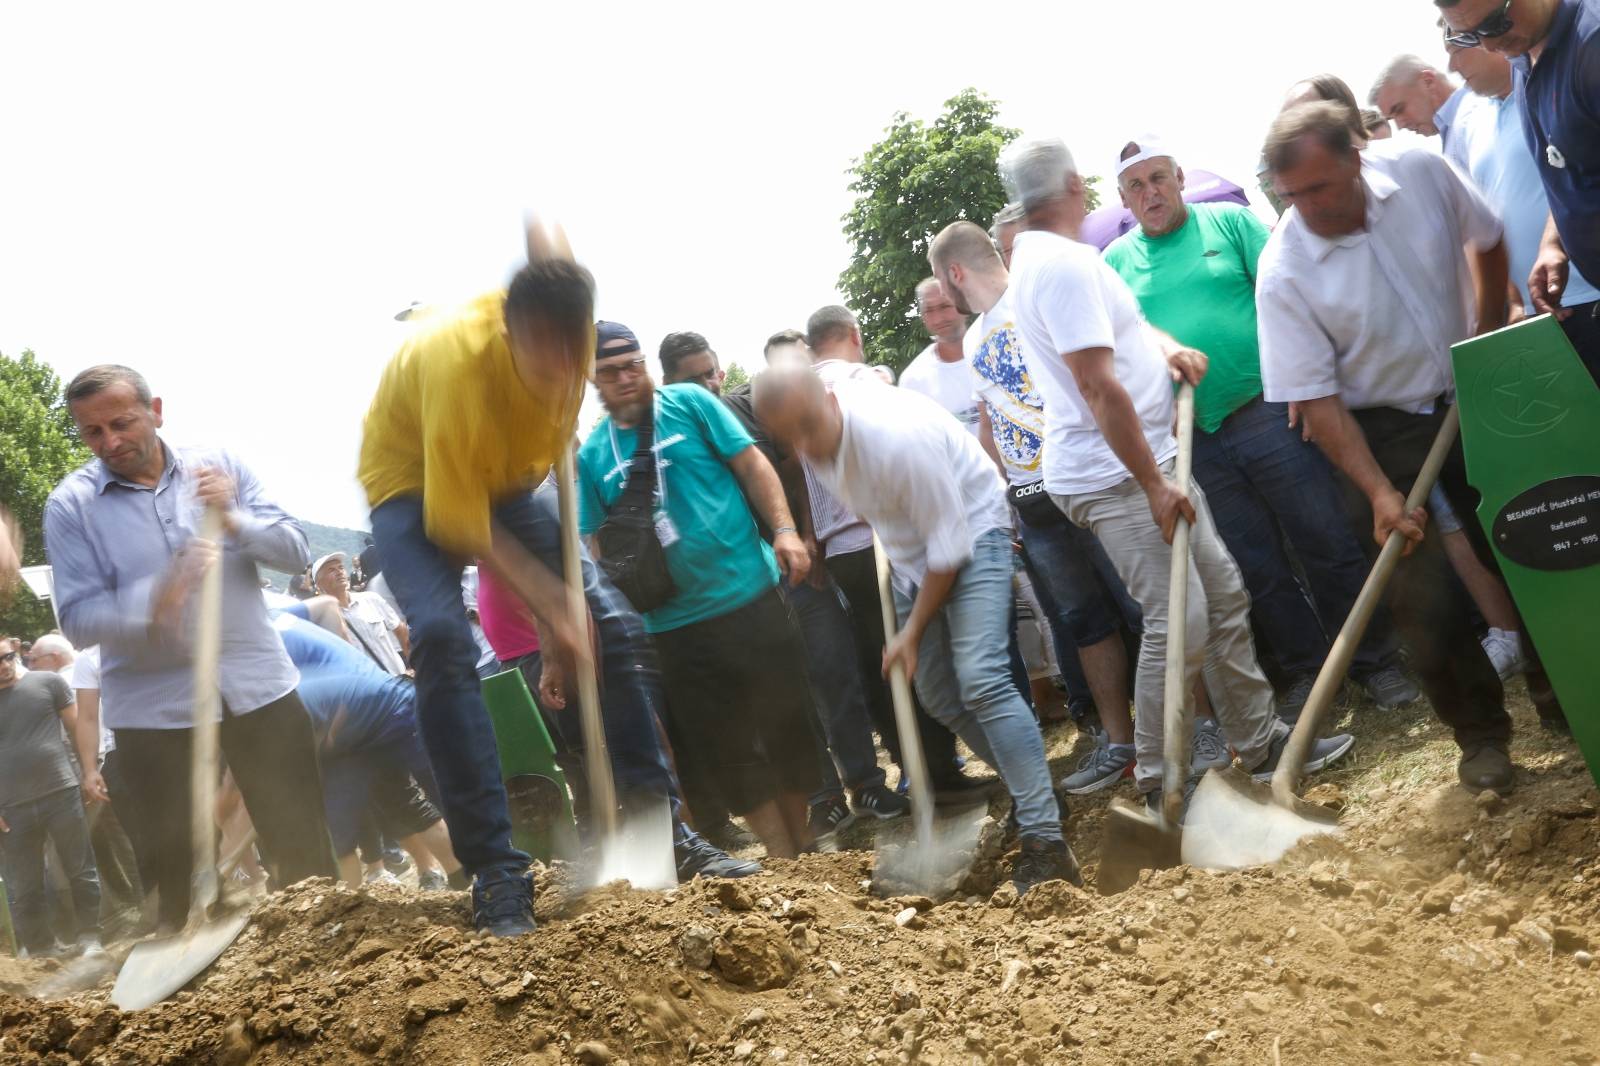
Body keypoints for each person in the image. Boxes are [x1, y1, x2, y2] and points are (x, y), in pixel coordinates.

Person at [997, 135, 1354, 811]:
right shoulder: (1063, 266)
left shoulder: (1059, 260)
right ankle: (1158, 780)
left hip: (1148, 461)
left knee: (1220, 594)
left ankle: (1259, 739)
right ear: (1077, 187)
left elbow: (1127, 334)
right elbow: (1098, 387)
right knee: (1178, 618)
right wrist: (1155, 484)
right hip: (1118, 477)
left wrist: (1169, 350)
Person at [1256, 101, 1534, 794]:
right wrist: (1380, 491)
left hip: (1474, 379)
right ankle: (1480, 740)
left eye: (1319, 187)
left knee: (1524, 540)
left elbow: (1489, 237)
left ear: (1355, 157)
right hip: (1373, 427)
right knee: (1419, 591)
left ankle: (1566, 697)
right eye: (1291, 195)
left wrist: (1490, 333)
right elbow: (1315, 402)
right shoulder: (1284, 269)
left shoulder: (1418, 170)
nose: (1306, 207)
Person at [1102, 135, 1418, 719]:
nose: (1151, 193)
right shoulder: (1114, 264)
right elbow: (1121, 352)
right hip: (1197, 440)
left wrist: (1301, 379)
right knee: (1257, 565)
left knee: (1323, 537)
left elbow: (1287, 296)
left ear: (1178, 178)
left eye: (1159, 178)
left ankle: (1378, 663)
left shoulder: (1228, 223)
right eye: (1137, 185)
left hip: (1268, 410)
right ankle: (1308, 674)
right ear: (1124, 199)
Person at [755, 363, 1082, 895]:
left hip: (974, 532)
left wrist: (910, 633)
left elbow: (950, 551)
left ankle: (1047, 841)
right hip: (913, 558)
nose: (805, 445)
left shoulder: (894, 440)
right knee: (935, 692)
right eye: (790, 436)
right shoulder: (818, 433)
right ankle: (1037, 791)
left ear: (830, 401)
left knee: (982, 677)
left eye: (809, 427)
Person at [358, 243, 606, 936]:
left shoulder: (567, 340)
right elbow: (457, 519)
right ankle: (496, 869)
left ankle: (660, 822)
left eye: (572, 358)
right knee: (440, 636)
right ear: (507, 336)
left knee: (606, 613)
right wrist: (550, 605)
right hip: (411, 486)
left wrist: (567, 621)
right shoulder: (454, 362)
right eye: (542, 359)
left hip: (507, 478)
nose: (562, 377)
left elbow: (544, 492)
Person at [46, 364, 339, 933]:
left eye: (122, 423)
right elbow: (78, 621)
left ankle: (322, 957)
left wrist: (232, 517)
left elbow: (295, 550)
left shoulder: (219, 466)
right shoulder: (70, 507)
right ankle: (187, 993)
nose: (110, 442)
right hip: (153, 711)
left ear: (156, 411)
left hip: (256, 686)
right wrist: (158, 597)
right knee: (170, 874)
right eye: (93, 432)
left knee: (300, 843)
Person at [577, 321, 824, 858]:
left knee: (789, 725)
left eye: (633, 365)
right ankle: (784, 859)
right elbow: (594, 542)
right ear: (590, 380)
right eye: (611, 371)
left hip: (749, 594)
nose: (626, 378)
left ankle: (806, 842)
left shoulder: (689, 402)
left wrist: (784, 530)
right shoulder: (593, 454)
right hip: (671, 625)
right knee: (727, 747)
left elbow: (753, 463)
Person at [928, 220, 1155, 796]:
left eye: (939, 282)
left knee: (1146, 606)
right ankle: (1121, 744)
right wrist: (996, 499)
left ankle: (1197, 729)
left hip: (1090, 479)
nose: (940, 299)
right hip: (1031, 503)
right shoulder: (977, 337)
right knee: (1083, 622)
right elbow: (991, 425)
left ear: (954, 272)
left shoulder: (1034, 298)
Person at [671, 331, 908, 845]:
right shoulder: (668, 438)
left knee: (834, 671)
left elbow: (796, 465)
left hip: (796, 569)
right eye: (694, 378)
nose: (709, 383)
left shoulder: (744, 410)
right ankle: (822, 800)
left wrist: (806, 533)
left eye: (712, 371)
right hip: (738, 591)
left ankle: (866, 783)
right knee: (785, 699)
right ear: (671, 383)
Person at [471, 487, 759, 881]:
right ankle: (614, 856)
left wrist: (554, 639)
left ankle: (670, 841)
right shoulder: (467, 493)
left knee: (618, 723)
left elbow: (548, 570)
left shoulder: (529, 497)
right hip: (524, 651)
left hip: (560, 636)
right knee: (581, 756)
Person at [798, 311, 992, 802]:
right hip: (880, 542)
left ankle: (919, 769)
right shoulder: (858, 379)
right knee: (919, 656)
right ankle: (938, 772)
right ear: (854, 337)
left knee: (887, 662)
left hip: (845, 548)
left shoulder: (797, 398)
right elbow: (881, 383)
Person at [1436, 0, 1600, 379]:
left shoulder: (1592, 43)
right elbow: (1569, 170)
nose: (1488, 45)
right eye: (1467, 36)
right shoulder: (1526, 62)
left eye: (1493, 23)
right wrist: (1554, 243)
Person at [0, 640, 104, 957]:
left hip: (61, 791)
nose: (3, 665)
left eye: (7, 657)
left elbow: (78, 729)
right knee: (25, 885)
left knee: (81, 869)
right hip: (11, 807)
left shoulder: (48, 682)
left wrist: (89, 772)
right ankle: (43, 951)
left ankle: (91, 937)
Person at [69, 643, 149, 932]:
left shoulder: (151, 635)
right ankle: (155, 905)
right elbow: (87, 717)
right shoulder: (88, 659)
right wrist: (91, 769)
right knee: (139, 835)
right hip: (120, 750)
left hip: (169, 735)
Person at [900, 279, 981, 437]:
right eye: (929, 310)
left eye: (945, 306)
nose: (938, 318)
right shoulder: (913, 381)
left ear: (964, 304)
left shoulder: (999, 351)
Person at [312, 552, 410, 675]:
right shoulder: (322, 623)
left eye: (341, 567)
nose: (339, 572)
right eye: (331, 570)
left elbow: (400, 629)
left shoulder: (371, 599)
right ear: (318, 584)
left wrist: (414, 666)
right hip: (368, 690)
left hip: (399, 678)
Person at [1369, 54, 1461, 135]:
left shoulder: (1470, 120)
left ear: (1428, 82)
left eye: (1399, 109)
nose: (1400, 126)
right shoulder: (1455, 129)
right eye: (1391, 119)